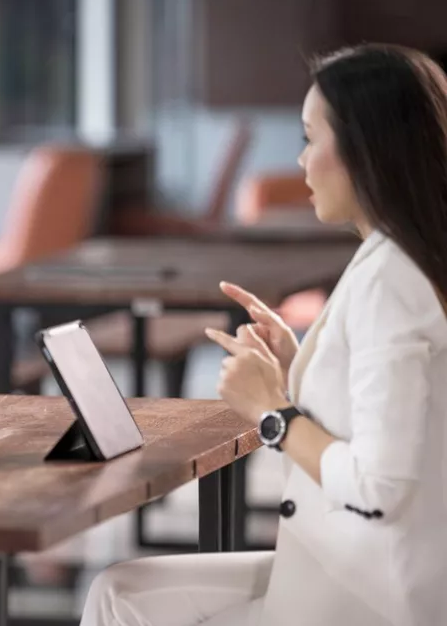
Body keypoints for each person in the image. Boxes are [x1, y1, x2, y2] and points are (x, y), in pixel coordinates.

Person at [80, 44, 447, 626]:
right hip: (354, 569)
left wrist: (271, 412)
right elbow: (393, 415)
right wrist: (300, 365)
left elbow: (379, 486)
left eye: (310, 138)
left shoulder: (390, 282)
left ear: (365, 148)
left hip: (364, 597)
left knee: (119, 600)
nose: (300, 160)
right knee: (117, 592)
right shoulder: (403, 260)